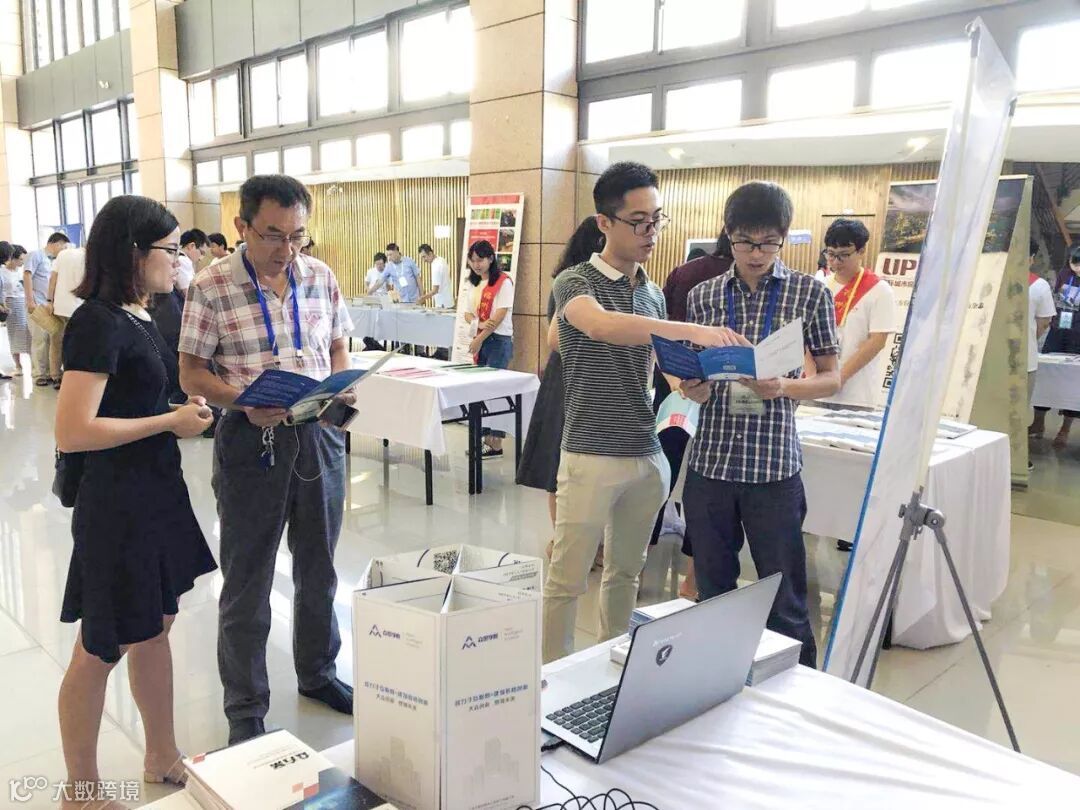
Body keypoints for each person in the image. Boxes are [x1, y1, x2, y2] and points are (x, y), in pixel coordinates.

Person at [178, 174, 355, 746]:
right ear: (242, 226)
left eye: (298, 235)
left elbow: (338, 344)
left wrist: (339, 384)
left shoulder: (320, 275)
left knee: (320, 567)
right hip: (251, 441)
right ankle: (246, 707)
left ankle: (318, 672)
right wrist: (242, 401)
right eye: (273, 235)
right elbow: (191, 373)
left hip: (318, 435)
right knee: (248, 578)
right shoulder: (210, 285)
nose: (287, 249)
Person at [54, 195, 216, 809]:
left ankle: (162, 753)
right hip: (118, 504)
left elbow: (134, 403)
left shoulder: (142, 314)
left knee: (155, 625)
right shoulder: (96, 322)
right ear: (132, 252)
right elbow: (74, 430)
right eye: (170, 250)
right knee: (103, 645)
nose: (179, 261)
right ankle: (81, 791)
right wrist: (167, 422)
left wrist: (178, 413)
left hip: (154, 492)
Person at [542, 161, 739, 664]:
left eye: (656, 220)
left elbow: (663, 369)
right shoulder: (574, 281)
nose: (650, 232)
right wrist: (690, 330)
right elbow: (600, 326)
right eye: (638, 221)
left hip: (646, 455)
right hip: (590, 452)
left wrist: (692, 385)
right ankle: (552, 678)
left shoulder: (652, 292)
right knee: (566, 581)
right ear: (604, 222)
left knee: (626, 574)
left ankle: (612, 663)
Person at [681, 181, 841, 669]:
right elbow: (690, 370)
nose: (755, 254)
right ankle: (716, 679)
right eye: (745, 242)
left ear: (784, 237)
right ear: (728, 235)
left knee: (784, 596)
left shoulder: (809, 293)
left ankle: (800, 690)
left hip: (773, 469)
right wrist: (692, 387)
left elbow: (831, 377)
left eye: (768, 243)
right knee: (714, 592)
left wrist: (785, 387)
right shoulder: (704, 296)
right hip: (711, 464)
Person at [648, 231, 737, 600]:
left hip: (673, 385)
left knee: (663, 471)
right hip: (723, 395)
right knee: (708, 488)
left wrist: (672, 380)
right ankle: (693, 578)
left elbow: (661, 331)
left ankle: (642, 553)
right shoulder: (738, 284)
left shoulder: (683, 273)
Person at [517, 217, 604, 531]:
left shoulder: (567, 279)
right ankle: (561, 537)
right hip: (570, 376)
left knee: (575, 464)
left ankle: (568, 537)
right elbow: (555, 336)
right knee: (558, 462)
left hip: (566, 373)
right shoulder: (573, 282)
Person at [815, 218, 896, 408]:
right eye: (831, 254)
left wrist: (838, 379)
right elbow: (806, 336)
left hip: (856, 394)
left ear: (861, 251)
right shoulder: (820, 286)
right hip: (815, 391)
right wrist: (813, 378)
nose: (836, 261)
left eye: (844, 255)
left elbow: (877, 342)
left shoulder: (879, 290)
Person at [465, 239, 515, 457]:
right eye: (473, 260)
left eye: (481, 260)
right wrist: (479, 325)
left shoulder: (503, 282)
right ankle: (485, 439)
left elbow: (500, 315)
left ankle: (496, 442)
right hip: (482, 337)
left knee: (495, 391)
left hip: (498, 341)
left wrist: (480, 337)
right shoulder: (474, 283)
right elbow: (467, 313)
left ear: (491, 259)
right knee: (482, 391)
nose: (477, 264)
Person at [1032, 244, 1080, 449]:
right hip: (1058, 330)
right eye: (1074, 263)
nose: (1077, 268)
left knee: (1074, 380)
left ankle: (1065, 429)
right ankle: (1038, 422)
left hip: (1078, 334)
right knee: (1045, 373)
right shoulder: (1063, 275)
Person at [24, 231, 71, 386]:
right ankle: (39, 374)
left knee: (53, 339)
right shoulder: (35, 255)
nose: (63, 250)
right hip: (37, 304)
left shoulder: (54, 261)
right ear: (56, 243)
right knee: (40, 340)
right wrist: (30, 301)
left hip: (51, 306)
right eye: (63, 247)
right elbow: (27, 276)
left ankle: (52, 372)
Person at [1027, 238, 1056, 466]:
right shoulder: (1039, 286)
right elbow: (1043, 322)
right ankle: (1016, 459)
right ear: (1032, 258)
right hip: (1023, 357)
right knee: (1016, 410)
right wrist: (1027, 340)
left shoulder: (988, 278)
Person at [44, 246, 87, 390]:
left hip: (60, 306)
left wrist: (49, 301)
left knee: (56, 342)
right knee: (77, 344)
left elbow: (53, 279)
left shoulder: (63, 254)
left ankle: (56, 376)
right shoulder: (90, 258)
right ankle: (73, 376)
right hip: (79, 308)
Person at [1, 243, 31, 379]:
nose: (22, 262)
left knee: (28, 334)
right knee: (13, 335)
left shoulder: (21, 272)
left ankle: (34, 365)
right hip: (10, 304)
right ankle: (18, 365)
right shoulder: (2, 272)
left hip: (23, 302)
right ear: (11, 258)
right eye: (20, 259)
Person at [416, 244, 454, 309]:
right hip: (448, 301)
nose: (424, 260)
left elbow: (435, 290)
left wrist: (422, 298)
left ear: (430, 253)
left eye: (424, 257)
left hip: (443, 305)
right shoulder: (441, 259)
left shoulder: (436, 266)